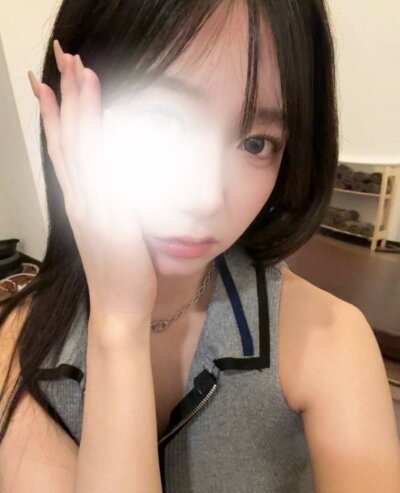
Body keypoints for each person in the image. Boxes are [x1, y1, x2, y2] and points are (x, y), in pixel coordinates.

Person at [0, 0, 399, 491]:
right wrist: (119, 323)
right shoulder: (18, 347)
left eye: (256, 143)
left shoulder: (331, 343)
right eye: (161, 121)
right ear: (69, 114)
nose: (207, 197)